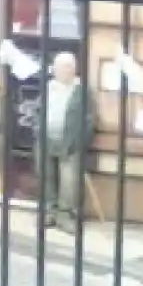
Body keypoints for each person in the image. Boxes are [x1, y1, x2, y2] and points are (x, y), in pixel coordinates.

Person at [39, 52, 93, 228]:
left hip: (70, 143)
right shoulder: (48, 87)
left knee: (68, 181)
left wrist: (80, 141)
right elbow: (38, 110)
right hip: (46, 139)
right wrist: (36, 129)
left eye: (64, 67)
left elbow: (89, 119)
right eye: (57, 68)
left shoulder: (81, 90)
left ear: (73, 70)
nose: (60, 71)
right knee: (47, 177)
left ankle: (65, 217)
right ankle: (49, 213)